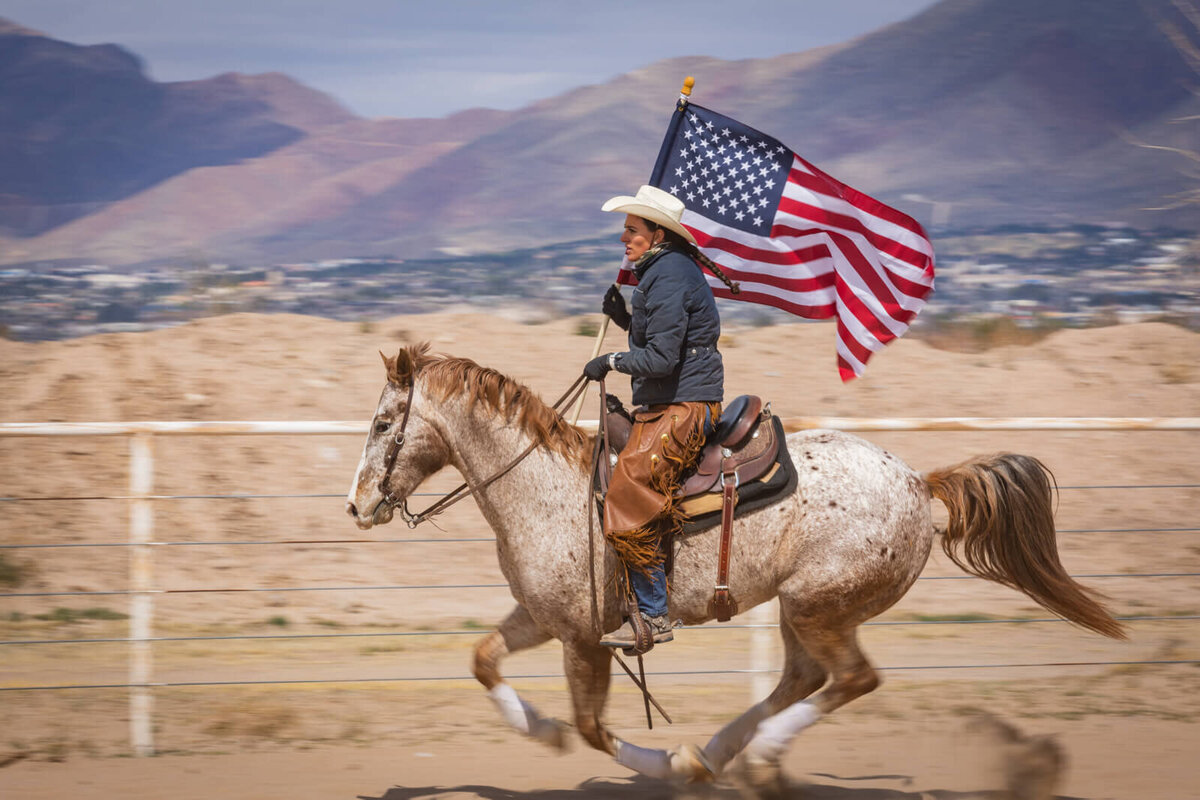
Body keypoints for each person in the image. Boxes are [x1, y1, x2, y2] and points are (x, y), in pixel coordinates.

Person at [582, 185, 740, 651]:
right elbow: (662, 337)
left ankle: (653, 614)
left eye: (632, 230)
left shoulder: (668, 273)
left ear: (656, 234)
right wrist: (628, 321)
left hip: (685, 406)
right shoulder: (663, 271)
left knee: (629, 487)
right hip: (674, 400)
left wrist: (609, 361)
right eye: (625, 230)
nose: (624, 238)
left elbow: (661, 360)